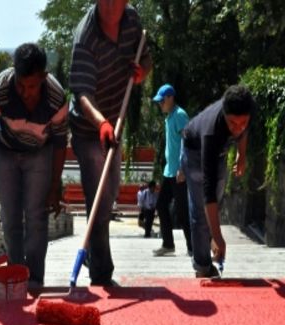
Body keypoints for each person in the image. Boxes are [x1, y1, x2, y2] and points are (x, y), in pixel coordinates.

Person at [0, 43, 67, 288]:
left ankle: (33, 280)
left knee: (36, 216)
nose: (25, 92)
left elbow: (61, 141)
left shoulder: (56, 97)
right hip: (6, 151)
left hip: (40, 152)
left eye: (32, 86)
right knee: (10, 217)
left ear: (44, 77)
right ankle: (15, 277)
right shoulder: (0, 89)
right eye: (21, 85)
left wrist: (55, 186)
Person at [68, 0, 152, 286]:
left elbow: (146, 56)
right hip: (87, 126)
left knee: (112, 190)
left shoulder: (132, 20)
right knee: (99, 197)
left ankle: (91, 250)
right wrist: (100, 122)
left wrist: (143, 73)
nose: (111, 5)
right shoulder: (86, 37)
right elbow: (82, 94)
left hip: (115, 123)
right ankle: (102, 272)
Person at [181, 85, 254, 278]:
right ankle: (202, 266)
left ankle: (211, 238)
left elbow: (244, 132)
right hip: (195, 152)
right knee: (200, 211)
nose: (238, 128)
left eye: (243, 122)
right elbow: (208, 191)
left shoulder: (245, 110)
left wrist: (241, 154)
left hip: (220, 153)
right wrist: (219, 236)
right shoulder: (211, 132)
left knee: (215, 204)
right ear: (224, 114)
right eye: (232, 123)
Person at [151, 84, 192, 257]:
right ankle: (168, 244)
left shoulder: (180, 115)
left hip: (179, 173)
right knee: (161, 205)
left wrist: (183, 167)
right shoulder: (169, 117)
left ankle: (192, 247)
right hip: (169, 172)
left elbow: (187, 142)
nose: (160, 104)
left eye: (162, 101)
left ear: (170, 98)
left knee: (183, 212)